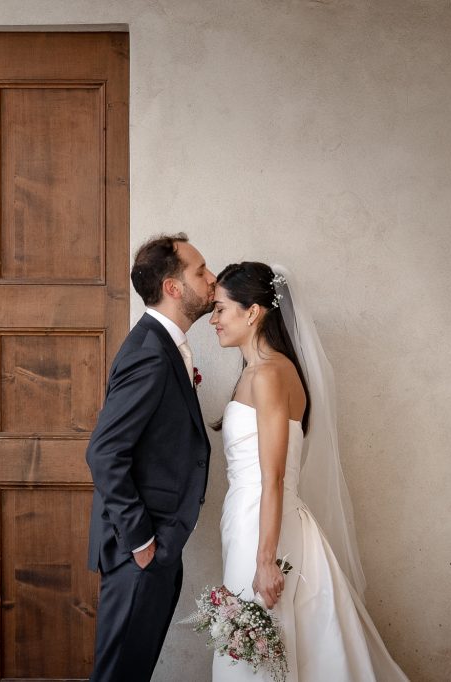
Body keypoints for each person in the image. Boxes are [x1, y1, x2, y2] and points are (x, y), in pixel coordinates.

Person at [208, 261, 408, 681]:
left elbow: (274, 475)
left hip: (263, 526)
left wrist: (265, 559)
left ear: (253, 311)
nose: (214, 319)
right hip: (253, 517)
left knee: (257, 649)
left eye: (222, 308)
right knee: (267, 643)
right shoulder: (263, 372)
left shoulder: (269, 375)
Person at [85, 233, 216, 682]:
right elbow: (105, 451)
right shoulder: (151, 354)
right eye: (200, 271)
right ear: (173, 288)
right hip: (137, 549)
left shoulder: (162, 346)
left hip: (155, 546)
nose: (212, 280)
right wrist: (142, 543)